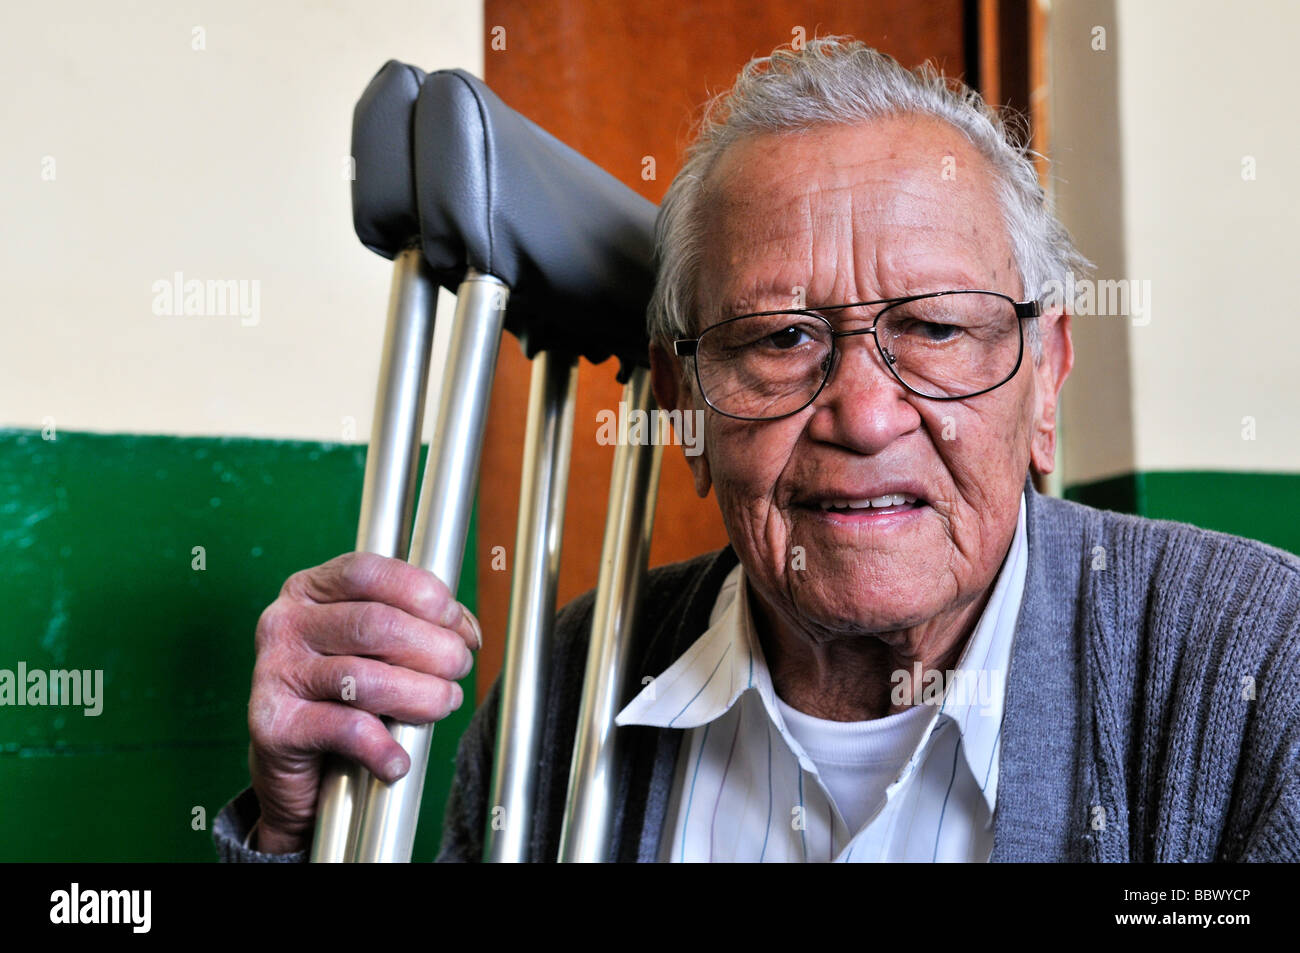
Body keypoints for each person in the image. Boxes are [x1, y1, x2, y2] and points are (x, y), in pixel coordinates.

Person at [214, 37, 1300, 863]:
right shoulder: (571, 685)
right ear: (685, 399)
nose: (865, 415)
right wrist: (295, 827)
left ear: (1044, 375)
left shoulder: (1256, 664)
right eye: (780, 340)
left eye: (933, 328)